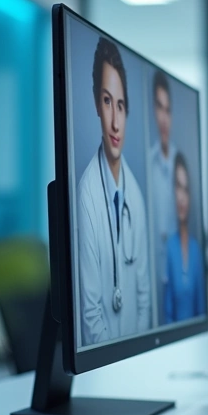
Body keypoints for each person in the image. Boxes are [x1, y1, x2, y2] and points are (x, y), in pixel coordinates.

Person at [76, 37, 150, 345]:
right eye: (107, 102)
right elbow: (90, 313)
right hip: (106, 367)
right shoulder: (87, 195)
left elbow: (144, 297)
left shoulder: (135, 194)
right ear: (96, 104)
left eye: (121, 105)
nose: (115, 122)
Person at [149, 69, 177, 322]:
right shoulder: (147, 167)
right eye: (159, 108)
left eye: (168, 109)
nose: (164, 118)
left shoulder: (183, 168)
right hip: (153, 279)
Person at [164, 152, 206, 322]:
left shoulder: (195, 248)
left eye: (186, 190)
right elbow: (167, 312)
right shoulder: (169, 247)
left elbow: (201, 309)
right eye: (178, 187)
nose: (182, 198)